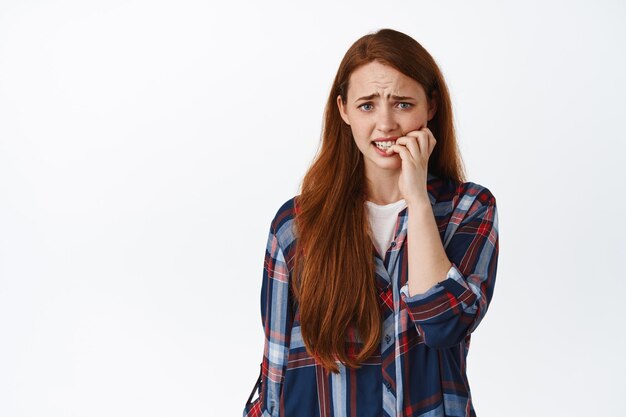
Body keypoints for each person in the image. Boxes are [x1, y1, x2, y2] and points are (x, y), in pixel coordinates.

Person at [243, 28, 499, 417]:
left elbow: (443, 325)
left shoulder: (469, 208)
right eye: (367, 105)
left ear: (430, 106)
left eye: (401, 104)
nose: (385, 124)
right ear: (343, 110)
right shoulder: (295, 225)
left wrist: (416, 198)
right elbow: (275, 365)